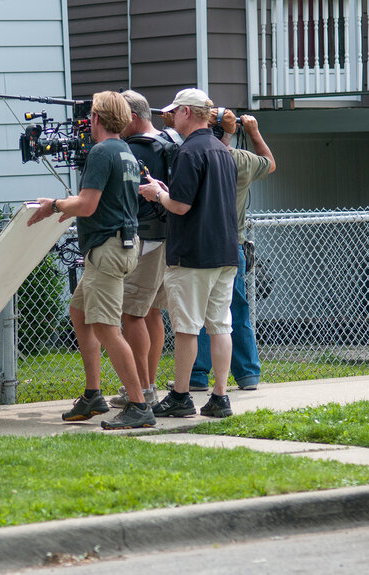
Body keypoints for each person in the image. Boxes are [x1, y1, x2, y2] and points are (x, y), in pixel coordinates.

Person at [28, 90, 155, 430]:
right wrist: (61, 202)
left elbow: (86, 206)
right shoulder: (125, 151)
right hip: (124, 245)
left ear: (96, 119)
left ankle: (139, 405)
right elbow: (92, 199)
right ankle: (93, 394)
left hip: (107, 250)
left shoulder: (102, 152)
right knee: (80, 312)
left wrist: (54, 206)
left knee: (108, 330)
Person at [139, 88, 239, 418]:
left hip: (192, 254)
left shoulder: (189, 152)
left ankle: (181, 395)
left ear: (186, 112)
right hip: (225, 251)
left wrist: (157, 194)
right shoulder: (222, 150)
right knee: (220, 326)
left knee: (186, 328)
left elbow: (180, 206)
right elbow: (200, 198)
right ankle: (220, 396)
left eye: (174, 112)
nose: (170, 117)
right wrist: (168, 193)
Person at [189, 109, 276, 393]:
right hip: (233, 245)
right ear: (228, 133)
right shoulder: (240, 159)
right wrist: (252, 131)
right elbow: (270, 164)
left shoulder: (195, 156)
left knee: (198, 313)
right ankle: (247, 374)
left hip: (200, 245)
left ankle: (198, 375)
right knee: (236, 310)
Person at [108, 90, 181, 410]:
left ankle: (141, 390)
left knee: (132, 314)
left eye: (122, 120)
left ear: (134, 118)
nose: (118, 126)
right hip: (168, 237)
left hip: (145, 241)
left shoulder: (135, 149)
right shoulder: (169, 142)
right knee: (152, 313)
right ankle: (147, 385)